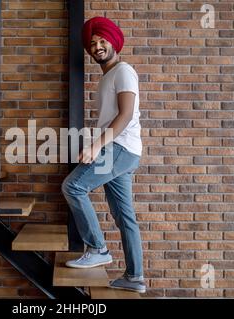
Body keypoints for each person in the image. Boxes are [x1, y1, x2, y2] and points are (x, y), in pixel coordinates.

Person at [61, 16, 145, 293]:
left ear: (114, 42)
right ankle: (135, 278)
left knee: (73, 186)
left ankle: (98, 248)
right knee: (124, 216)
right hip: (124, 150)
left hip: (119, 148)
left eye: (102, 41)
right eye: (93, 43)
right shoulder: (109, 75)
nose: (97, 46)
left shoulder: (123, 71)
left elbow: (126, 114)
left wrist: (97, 146)